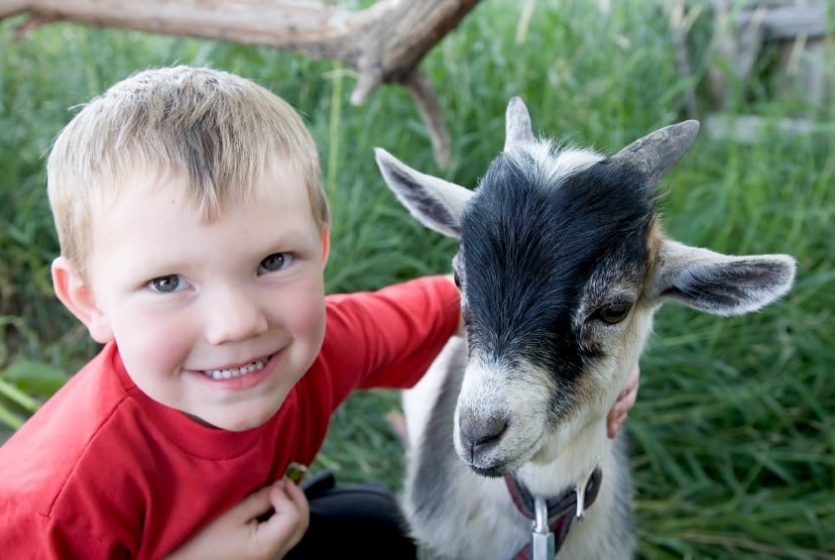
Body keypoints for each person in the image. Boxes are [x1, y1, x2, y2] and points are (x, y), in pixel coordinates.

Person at [0, 65, 639, 559]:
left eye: (274, 262)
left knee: (375, 527)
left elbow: (473, 300)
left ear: (321, 247)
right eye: (168, 282)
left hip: (262, 523)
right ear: (88, 300)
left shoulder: (318, 345)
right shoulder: (51, 504)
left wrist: (599, 342)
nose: (239, 325)